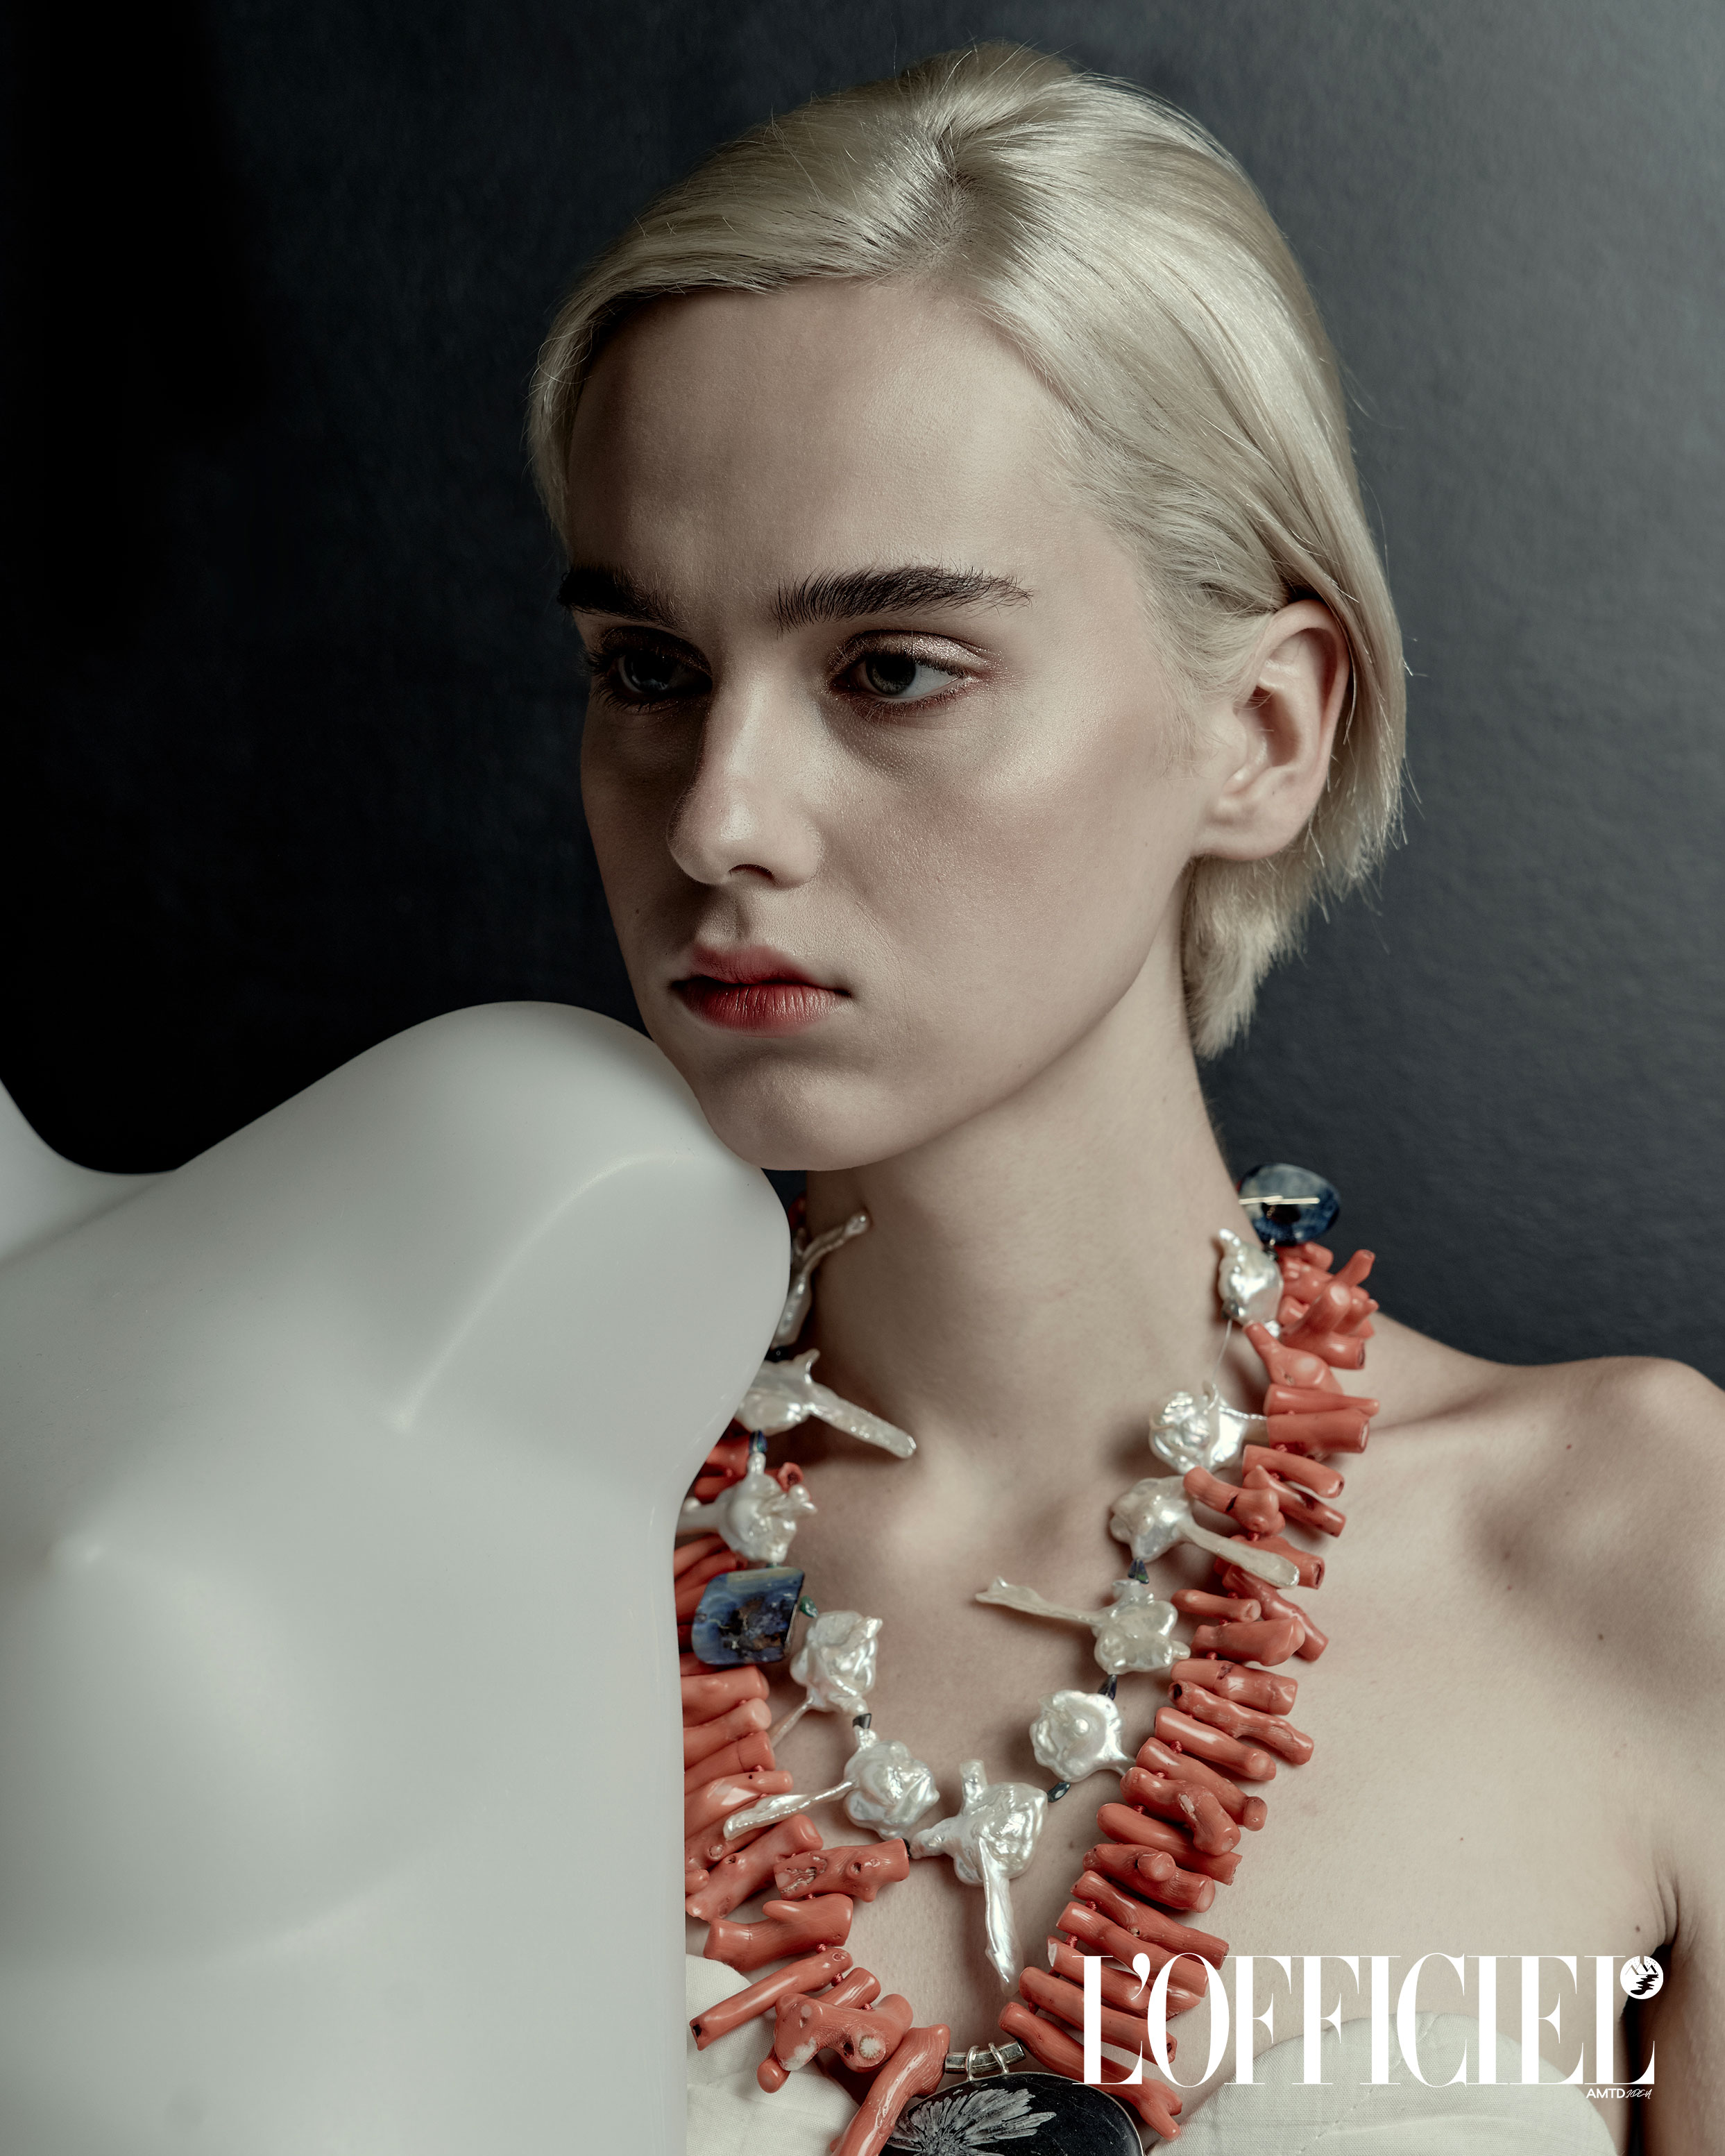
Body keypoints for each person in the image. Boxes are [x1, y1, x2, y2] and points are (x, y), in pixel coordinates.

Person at [529, 43, 1722, 2153]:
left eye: (891, 667)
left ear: (1259, 728)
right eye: (649, 669)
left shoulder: (1642, 1555)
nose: (718, 815)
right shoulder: (460, 1561)